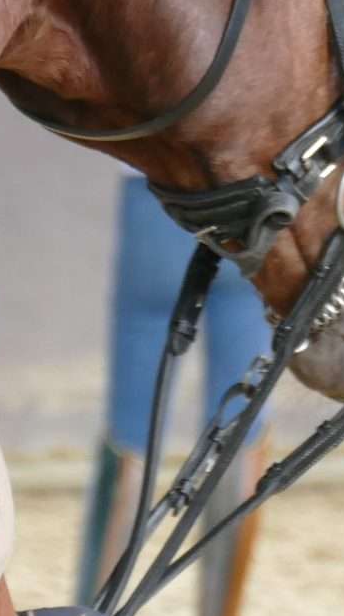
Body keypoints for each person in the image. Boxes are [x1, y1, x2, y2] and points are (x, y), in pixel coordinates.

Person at [76, 185, 267, 596]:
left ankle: (96, 605)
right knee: (239, 429)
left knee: (133, 431)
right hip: (255, 205)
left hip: (158, 203)